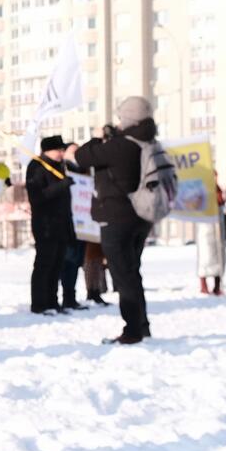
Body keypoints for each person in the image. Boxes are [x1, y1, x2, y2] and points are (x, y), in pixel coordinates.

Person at [76, 96, 162, 344]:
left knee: (123, 275)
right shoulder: (150, 142)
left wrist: (98, 137)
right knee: (132, 272)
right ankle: (142, 325)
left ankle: (132, 330)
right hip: (142, 217)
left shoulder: (121, 146)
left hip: (117, 218)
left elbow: (83, 156)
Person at [26, 136, 74, 315]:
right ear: (48, 150)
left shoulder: (59, 166)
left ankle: (52, 302)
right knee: (44, 264)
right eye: (59, 150)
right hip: (45, 224)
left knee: (57, 264)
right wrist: (61, 186)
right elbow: (37, 196)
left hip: (61, 224)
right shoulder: (37, 166)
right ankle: (39, 303)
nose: (62, 153)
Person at [58, 143, 87, 310]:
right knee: (67, 262)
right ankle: (65, 297)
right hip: (68, 224)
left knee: (76, 262)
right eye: (73, 151)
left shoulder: (83, 170)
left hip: (82, 224)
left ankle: (71, 297)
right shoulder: (63, 170)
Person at [196, 180, 226, 296]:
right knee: (205, 256)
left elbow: (220, 203)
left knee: (219, 257)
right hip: (206, 228)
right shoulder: (202, 190)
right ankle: (204, 284)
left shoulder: (217, 189)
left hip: (217, 227)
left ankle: (217, 285)